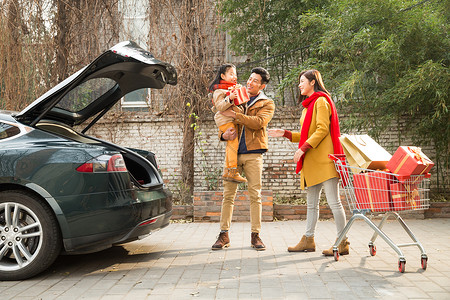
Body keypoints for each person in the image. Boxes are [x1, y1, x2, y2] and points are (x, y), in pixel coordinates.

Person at [268, 69, 349, 256]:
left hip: (325, 161)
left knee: (334, 202)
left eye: (302, 81)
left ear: (313, 82)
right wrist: (286, 133)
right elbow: (307, 134)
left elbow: (321, 130)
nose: (299, 84)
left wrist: (302, 148)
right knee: (311, 204)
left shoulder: (321, 101)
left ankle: (342, 242)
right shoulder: (307, 106)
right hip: (312, 162)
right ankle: (308, 239)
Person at [211, 67, 275, 251]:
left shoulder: (266, 103)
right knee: (228, 195)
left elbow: (259, 123)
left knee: (255, 195)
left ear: (262, 85)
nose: (250, 82)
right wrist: (223, 136)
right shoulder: (236, 95)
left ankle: (256, 235)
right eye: (250, 79)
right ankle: (224, 234)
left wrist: (236, 115)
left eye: (255, 81)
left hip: (254, 153)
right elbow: (224, 121)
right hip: (233, 152)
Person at [209, 64, 247, 183]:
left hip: (233, 120)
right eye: (231, 74)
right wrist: (229, 98)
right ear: (223, 76)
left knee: (231, 145)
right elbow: (219, 106)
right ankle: (232, 171)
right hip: (225, 120)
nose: (234, 76)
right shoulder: (219, 91)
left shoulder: (232, 89)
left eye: (235, 74)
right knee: (233, 145)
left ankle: (227, 171)